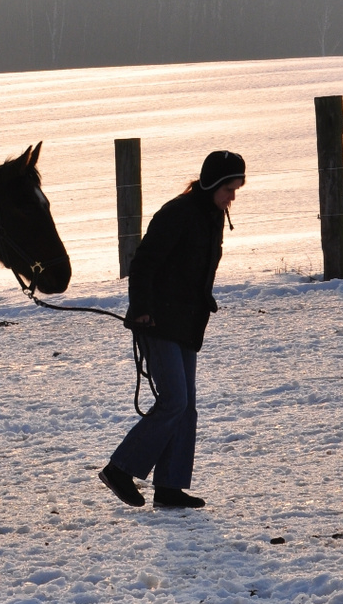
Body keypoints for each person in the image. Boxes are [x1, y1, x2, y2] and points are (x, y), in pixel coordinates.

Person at [99, 150, 245, 509]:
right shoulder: (177, 213)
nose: (233, 196)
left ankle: (169, 487)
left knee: (187, 406)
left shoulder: (211, 215)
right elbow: (144, 263)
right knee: (175, 402)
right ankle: (120, 469)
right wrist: (144, 309)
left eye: (237, 188)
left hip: (186, 322)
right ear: (211, 184)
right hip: (157, 321)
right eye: (229, 188)